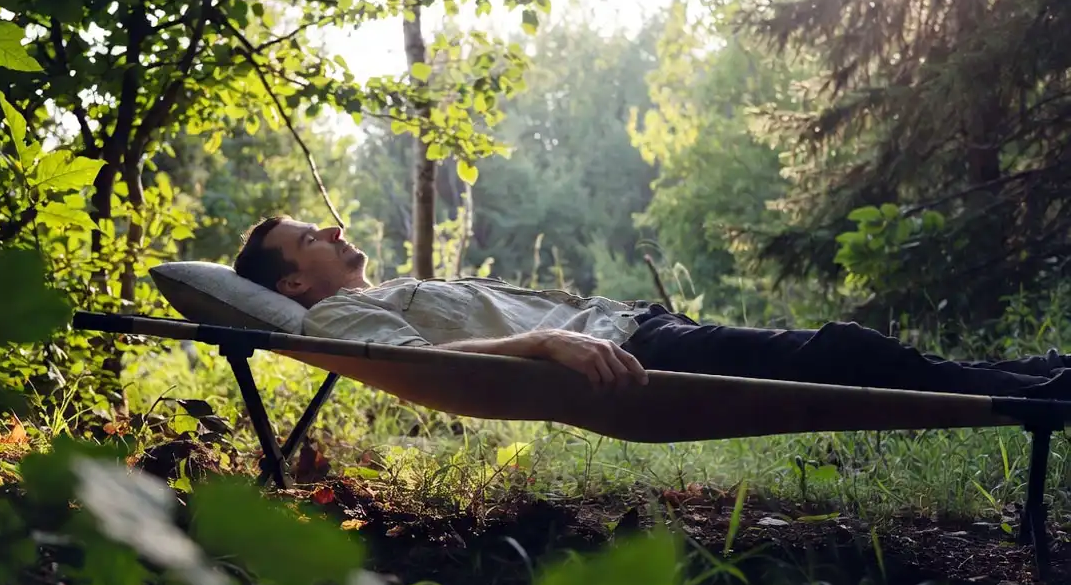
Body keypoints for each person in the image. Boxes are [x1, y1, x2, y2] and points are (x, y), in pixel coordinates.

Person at [233, 215, 1071, 399]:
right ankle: (1039, 391)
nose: (335, 229)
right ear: (293, 285)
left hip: (630, 326)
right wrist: (545, 344)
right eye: (311, 237)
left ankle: (1039, 377)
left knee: (834, 351)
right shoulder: (336, 322)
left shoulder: (367, 297)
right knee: (837, 353)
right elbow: (419, 368)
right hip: (630, 349)